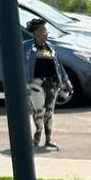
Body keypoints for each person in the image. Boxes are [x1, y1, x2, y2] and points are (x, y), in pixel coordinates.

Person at [28, 18, 61, 149]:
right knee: (38, 111)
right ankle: (37, 135)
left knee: (49, 112)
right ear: (37, 33)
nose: (46, 33)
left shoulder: (50, 47)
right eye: (44, 31)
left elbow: (58, 65)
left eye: (46, 31)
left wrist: (64, 80)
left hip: (51, 83)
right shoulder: (29, 48)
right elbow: (24, 65)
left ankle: (48, 139)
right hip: (35, 84)